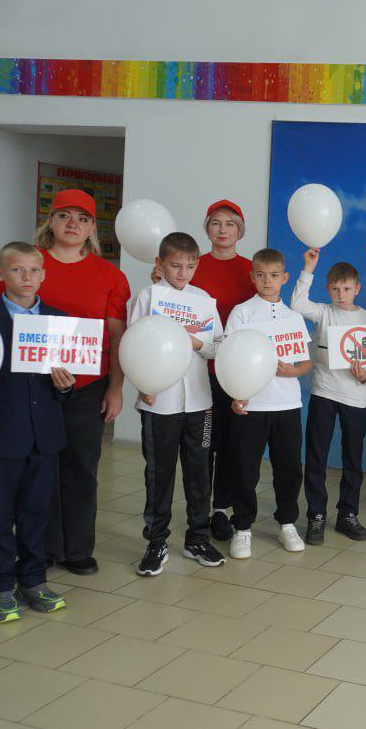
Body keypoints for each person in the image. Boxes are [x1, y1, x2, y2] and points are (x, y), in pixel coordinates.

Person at [0, 188, 130, 576]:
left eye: (83, 218)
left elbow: (117, 335)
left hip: (86, 387)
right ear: (50, 221)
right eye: (64, 215)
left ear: (93, 228)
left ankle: (78, 549)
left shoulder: (111, 276)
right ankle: (43, 548)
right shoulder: (25, 262)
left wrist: (116, 387)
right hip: (29, 388)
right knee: (40, 471)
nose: (73, 224)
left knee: (81, 468)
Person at [0, 242, 73, 623]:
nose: (27, 277)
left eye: (33, 270)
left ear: (44, 275)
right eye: (17, 270)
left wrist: (65, 386)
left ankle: (33, 580)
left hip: (45, 435)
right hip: (2, 432)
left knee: (36, 513)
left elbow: (66, 380)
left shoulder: (58, 320)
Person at [127, 232, 225, 576]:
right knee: (160, 474)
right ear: (160, 263)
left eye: (190, 266)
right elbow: (133, 344)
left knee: (199, 472)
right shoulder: (148, 296)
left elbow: (219, 345)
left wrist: (198, 343)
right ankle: (156, 542)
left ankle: (197, 538)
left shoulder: (203, 300)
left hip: (199, 400)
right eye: (176, 266)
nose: (183, 273)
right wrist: (144, 383)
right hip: (159, 401)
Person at [223, 248, 313, 559]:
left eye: (274, 275)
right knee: (245, 469)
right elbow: (229, 356)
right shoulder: (242, 313)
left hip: (287, 405)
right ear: (252, 276)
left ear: (284, 278)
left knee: (289, 468)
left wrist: (293, 371)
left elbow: (305, 363)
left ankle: (287, 522)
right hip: (252, 405)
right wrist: (237, 393)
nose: (267, 281)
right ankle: (242, 527)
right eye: (261, 275)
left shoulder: (293, 317)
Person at [291, 249, 366, 544]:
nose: (340, 294)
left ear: (357, 289)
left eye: (346, 289)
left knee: (352, 459)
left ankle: (348, 514)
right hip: (323, 393)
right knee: (316, 456)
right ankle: (316, 515)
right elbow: (297, 304)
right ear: (328, 289)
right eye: (335, 289)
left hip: (355, 398)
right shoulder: (324, 312)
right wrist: (308, 269)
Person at [189, 200, 256, 542]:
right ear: (207, 228)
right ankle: (199, 510)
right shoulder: (193, 265)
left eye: (230, 223)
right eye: (216, 223)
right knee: (204, 443)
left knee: (231, 443)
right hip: (197, 369)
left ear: (239, 230)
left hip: (235, 371)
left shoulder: (251, 270)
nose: (223, 229)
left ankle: (221, 509)